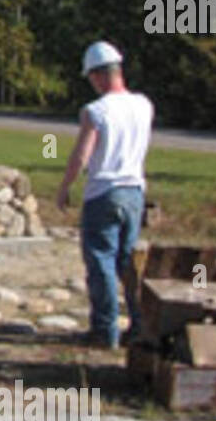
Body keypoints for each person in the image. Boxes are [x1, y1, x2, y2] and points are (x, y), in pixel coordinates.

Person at [56, 41, 154, 348]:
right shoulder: (144, 105)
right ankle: (138, 327)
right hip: (134, 191)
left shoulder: (95, 111)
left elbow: (81, 155)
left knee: (101, 263)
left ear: (98, 76)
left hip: (104, 193)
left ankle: (105, 330)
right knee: (128, 264)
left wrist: (65, 187)